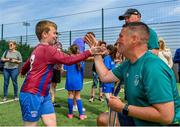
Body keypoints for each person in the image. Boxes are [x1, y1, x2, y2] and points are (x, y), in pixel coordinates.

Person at [84, 22, 180, 126]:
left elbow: (166, 116)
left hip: (163, 124)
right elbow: (104, 76)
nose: (117, 41)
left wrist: (122, 107)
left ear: (134, 39)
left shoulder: (153, 67)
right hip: (139, 119)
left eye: (120, 36)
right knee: (103, 119)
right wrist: (96, 53)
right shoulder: (128, 64)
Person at [19, 20, 103, 126]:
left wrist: (23, 71)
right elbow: (68, 60)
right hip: (32, 94)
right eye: (54, 33)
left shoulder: (37, 48)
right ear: (44, 34)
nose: (56, 36)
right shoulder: (47, 49)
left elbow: (27, 63)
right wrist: (90, 51)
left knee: (52, 124)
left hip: (44, 94)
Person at [64, 44, 87, 120]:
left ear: (70, 50)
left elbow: (65, 69)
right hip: (77, 80)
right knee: (78, 97)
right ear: (77, 50)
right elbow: (82, 70)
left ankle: (70, 114)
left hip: (70, 80)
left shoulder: (67, 58)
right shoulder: (80, 59)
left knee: (70, 96)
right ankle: (81, 115)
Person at [50, 41, 63, 107]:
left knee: (54, 85)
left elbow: (61, 56)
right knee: (51, 86)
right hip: (52, 69)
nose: (56, 37)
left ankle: (53, 101)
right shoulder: (51, 45)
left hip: (58, 69)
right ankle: (51, 101)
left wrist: (62, 67)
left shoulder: (59, 44)